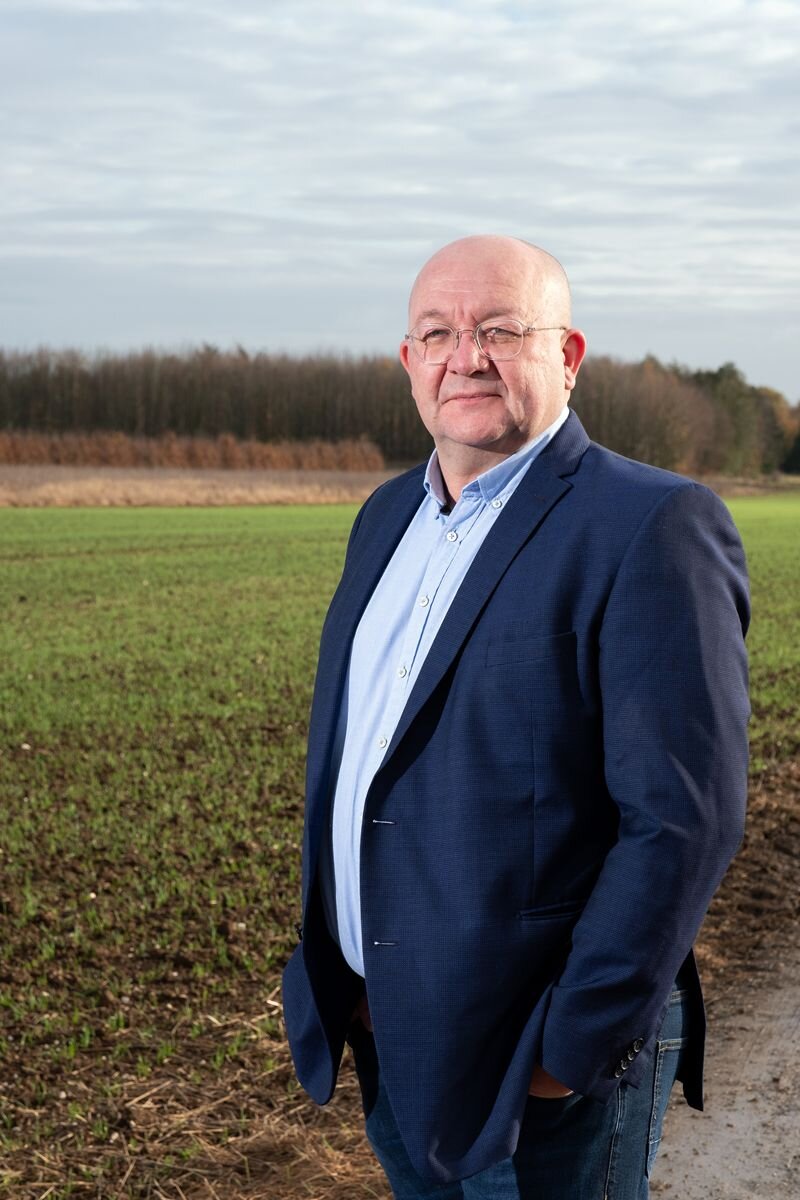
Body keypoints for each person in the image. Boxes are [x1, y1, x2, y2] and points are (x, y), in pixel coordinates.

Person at [282, 235, 750, 1198]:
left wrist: (571, 1048)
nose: (468, 356)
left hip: (535, 1069)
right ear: (407, 362)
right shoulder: (383, 519)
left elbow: (684, 817)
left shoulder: (651, 525)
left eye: (501, 329)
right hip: (391, 1034)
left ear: (567, 356)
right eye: (439, 333)